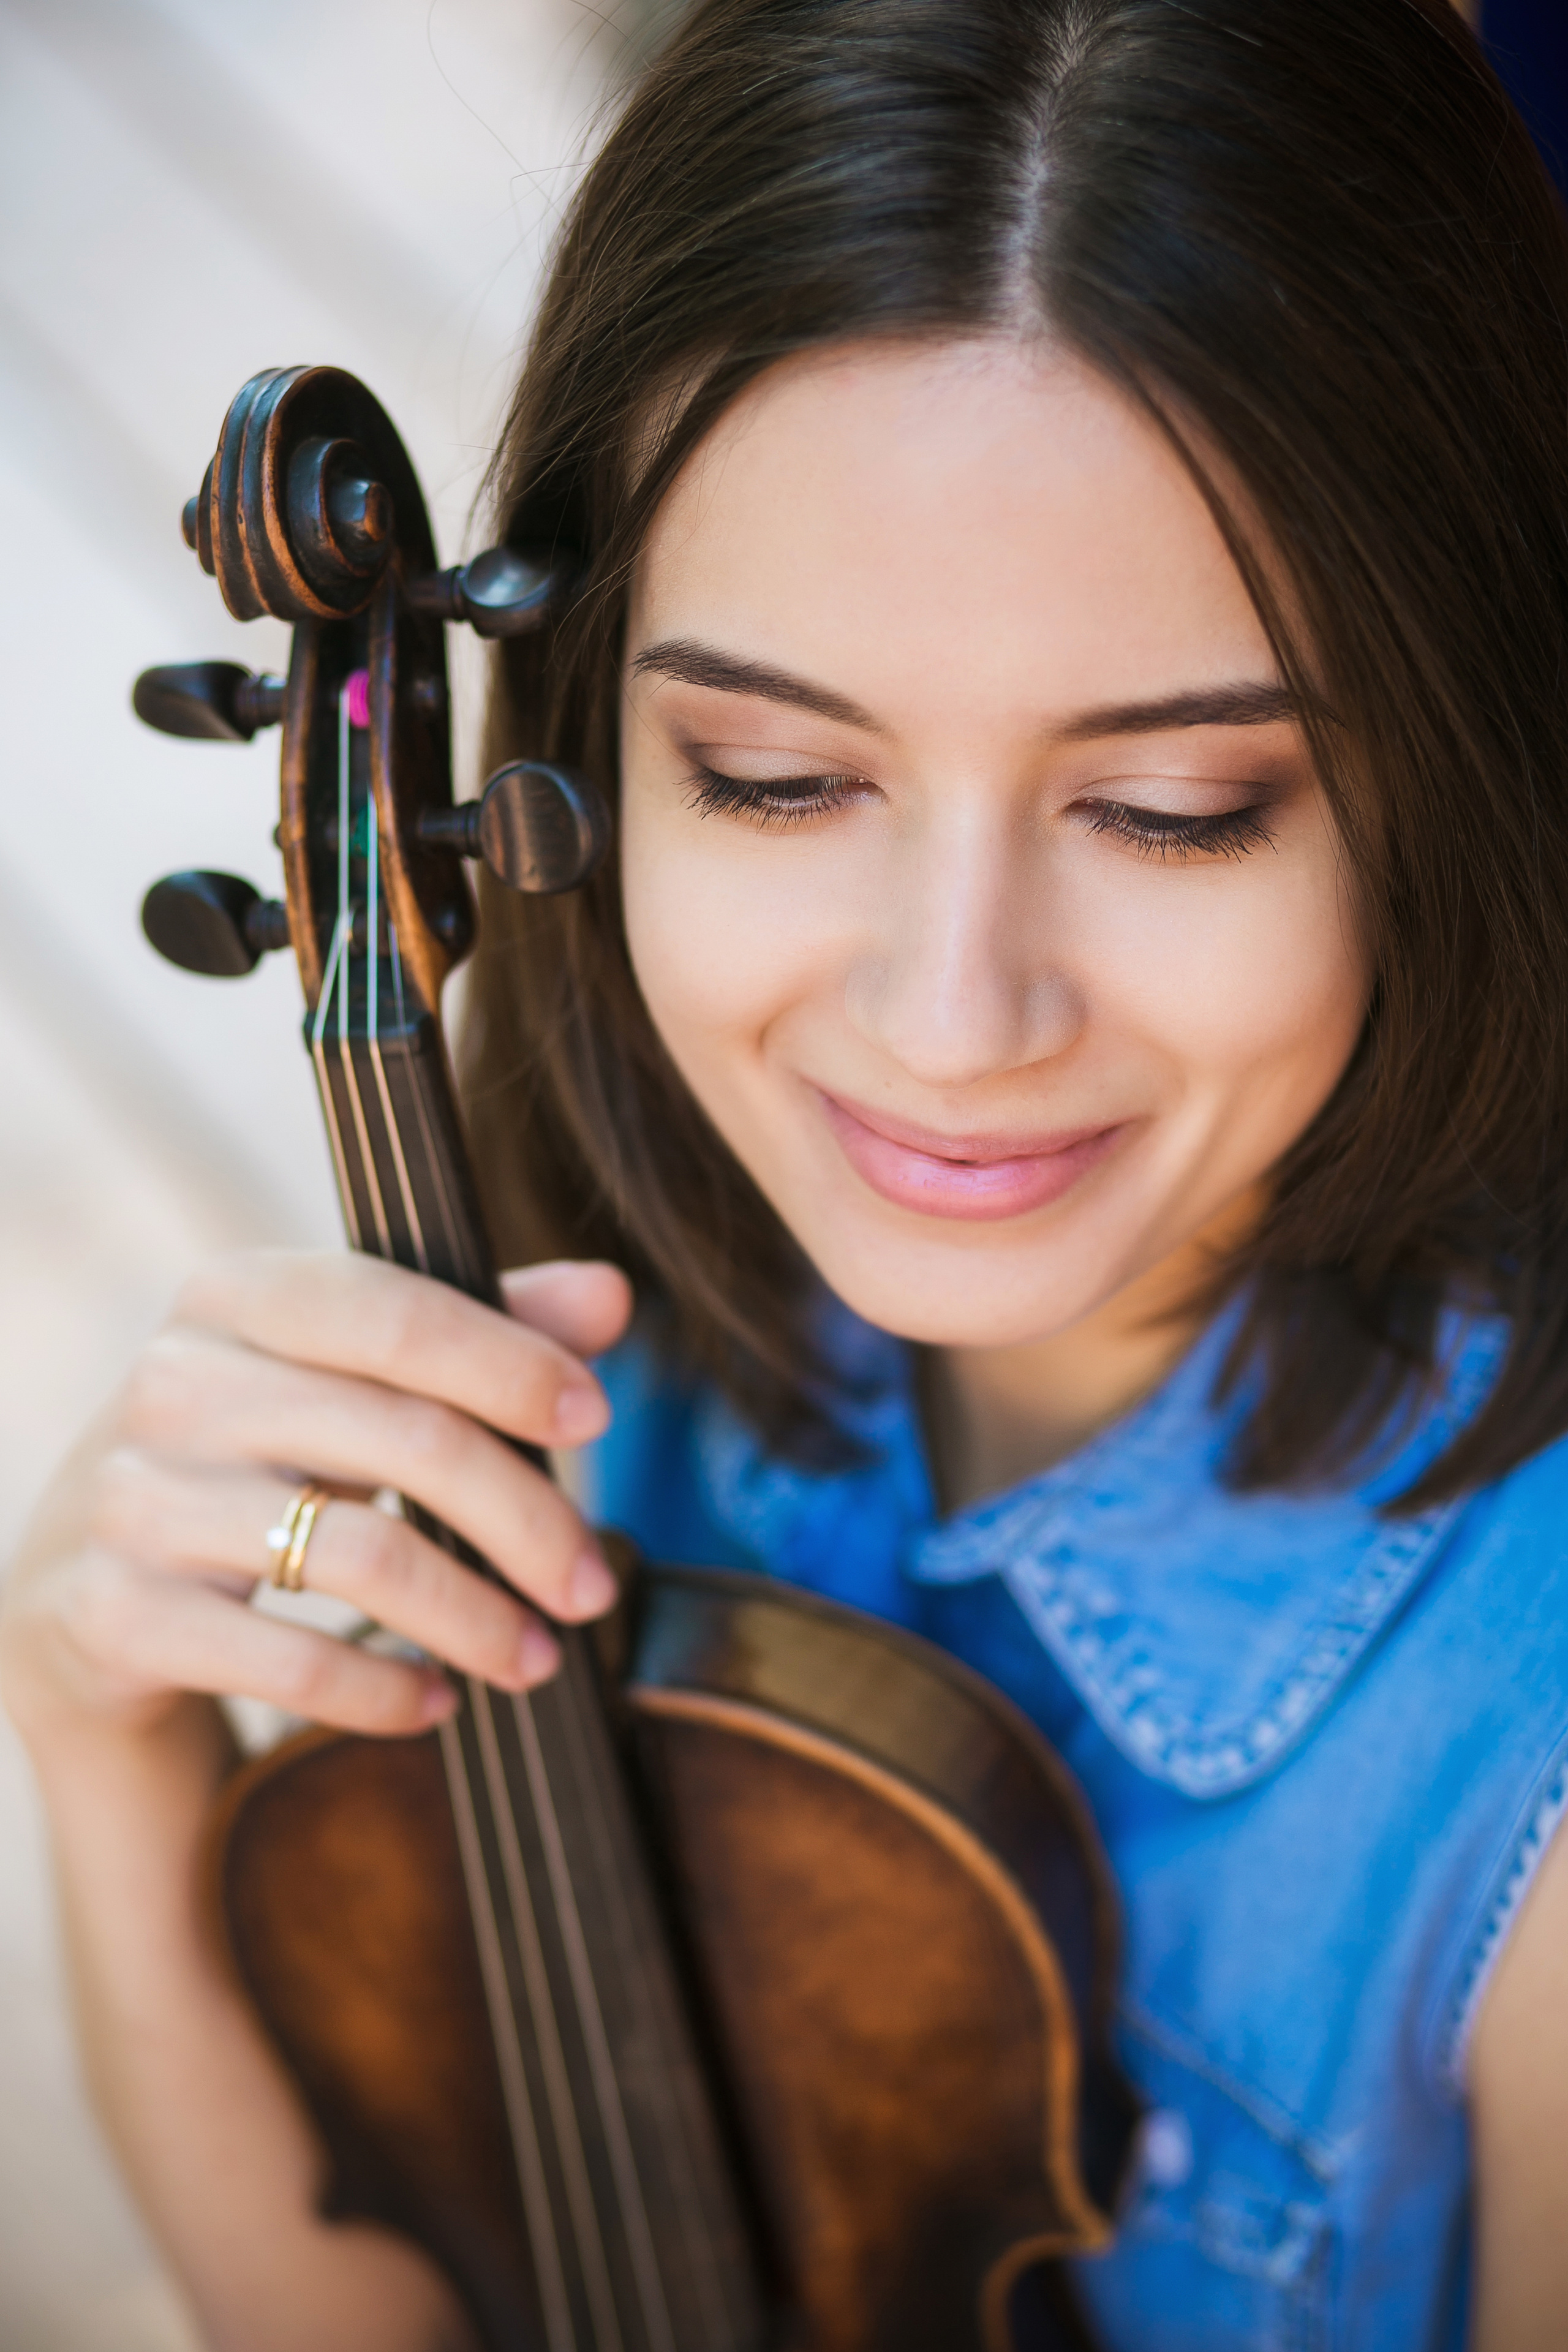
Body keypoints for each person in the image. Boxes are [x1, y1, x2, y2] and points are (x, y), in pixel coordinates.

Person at [4, 0, 1567, 2345]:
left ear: (1459, 773)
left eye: (1172, 810)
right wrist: (98, 1734)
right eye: (769, 776)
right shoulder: (583, 1320)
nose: (952, 1023)